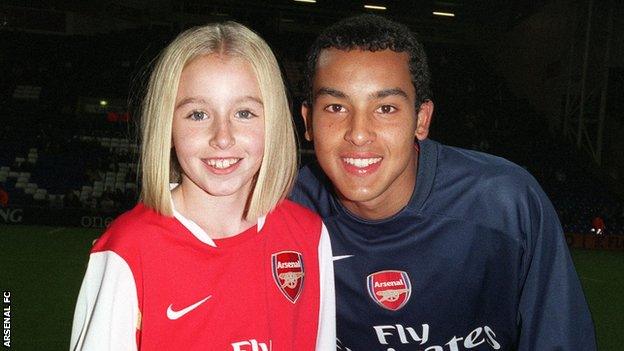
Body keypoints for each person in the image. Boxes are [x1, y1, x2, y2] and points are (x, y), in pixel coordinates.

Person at [291, 14, 596, 350]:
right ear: (308, 121)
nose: (359, 133)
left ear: (421, 120)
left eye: (386, 108)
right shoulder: (283, 212)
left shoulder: (505, 202)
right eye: (336, 107)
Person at [71, 22, 335, 350]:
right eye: (198, 114)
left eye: (244, 112)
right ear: (166, 124)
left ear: (275, 122)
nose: (222, 137)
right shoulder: (128, 249)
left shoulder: (308, 236)